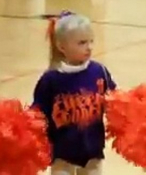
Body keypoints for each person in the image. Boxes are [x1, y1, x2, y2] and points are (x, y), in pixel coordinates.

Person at [32, 11, 116, 175]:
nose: (89, 47)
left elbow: (115, 101)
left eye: (91, 41)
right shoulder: (51, 79)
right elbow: (37, 116)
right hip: (62, 155)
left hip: (92, 151)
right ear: (62, 46)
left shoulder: (99, 72)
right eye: (82, 43)